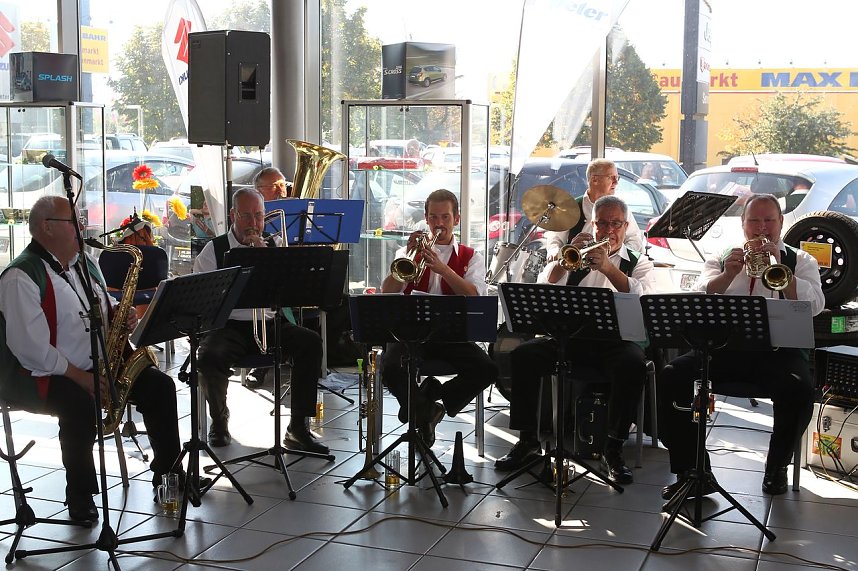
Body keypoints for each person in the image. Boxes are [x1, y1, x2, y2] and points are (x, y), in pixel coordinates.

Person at [0, 196, 181, 522]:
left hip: (98, 363)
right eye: (73, 222)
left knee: (160, 386)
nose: (82, 229)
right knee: (79, 404)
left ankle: (168, 473)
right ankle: (80, 495)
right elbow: (31, 349)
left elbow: (101, 309)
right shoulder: (20, 276)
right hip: (42, 374)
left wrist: (120, 318)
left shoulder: (86, 262)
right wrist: (79, 377)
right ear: (47, 228)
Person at [658, 193, 825, 499]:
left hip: (778, 354)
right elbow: (699, 293)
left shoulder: (801, 261)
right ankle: (693, 471)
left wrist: (783, 275)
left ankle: (777, 467)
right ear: (743, 224)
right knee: (671, 375)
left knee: (800, 389)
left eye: (768, 220)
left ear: (781, 223)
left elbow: (815, 305)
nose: (762, 228)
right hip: (723, 351)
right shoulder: (722, 257)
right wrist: (727, 275)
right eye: (754, 221)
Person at [495, 195, 655, 485]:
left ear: (626, 226)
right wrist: (564, 261)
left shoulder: (638, 262)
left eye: (615, 224)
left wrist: (608, 268)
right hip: (570, 339)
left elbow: (643, 298)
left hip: (615, 344)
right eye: (602, 223)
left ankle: (613, 448)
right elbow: (545, 287)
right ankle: (528, 439)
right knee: (523, 356)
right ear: (592, 225)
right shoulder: (574, 255)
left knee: (633, 365)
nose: (608, 230)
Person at [193, 188, 328, 454]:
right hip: (229, 326)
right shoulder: (214, 250)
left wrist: (267, 258)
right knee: (209, 357)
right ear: (233, 215)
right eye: (246, 216)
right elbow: (204, 300)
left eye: (259, 216)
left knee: (309, 343)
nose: (254, 224)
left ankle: (298, 427)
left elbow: (291, 292)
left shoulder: (275, 245)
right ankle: (219, 420)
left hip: (268, 322)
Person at [380, 189, 498, 446]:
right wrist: (409, 256)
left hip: (451, 336)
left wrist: (444, 270)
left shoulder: (471, 256)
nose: (439, 224)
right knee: (390, 366)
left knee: (487, 369)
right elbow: (386, 291)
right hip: (412, 334)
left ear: (456, 218)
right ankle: (425, 412)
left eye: (445, 217)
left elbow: (474, 296)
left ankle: (432, 398)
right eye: (433, 217)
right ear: (426, 218)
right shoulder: (409, 250)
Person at [543, 158, 643, 260]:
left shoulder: (621, 208)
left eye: (617, 178)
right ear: (595, 179)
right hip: (575, 271)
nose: (616, 182)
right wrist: (554, 251)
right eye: (611, 177)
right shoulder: (570, 207)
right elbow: (555, 239)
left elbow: (634, 239)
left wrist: (615, 256)